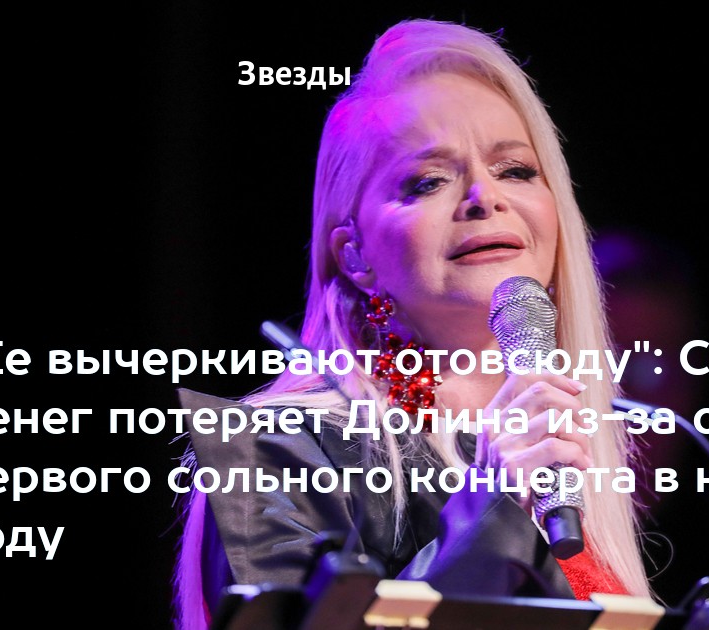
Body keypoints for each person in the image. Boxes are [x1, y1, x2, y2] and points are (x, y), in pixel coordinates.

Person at [173, 19, 652, 629]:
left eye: (515, 170)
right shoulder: (274, 448)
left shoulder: (573, 457)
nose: (484, 197)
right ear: (355, 255)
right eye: (427, 181)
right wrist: (489, 510)